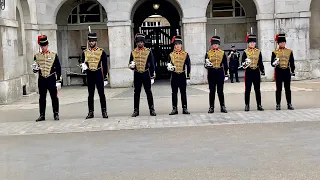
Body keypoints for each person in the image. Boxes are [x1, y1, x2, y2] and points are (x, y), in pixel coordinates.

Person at [32, 35, 61, 121]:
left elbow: (58, 67)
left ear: (47, 45)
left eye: (45, 45)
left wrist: (58, 79)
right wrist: (35, 69)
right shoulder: (37, 56)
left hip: (51, 78)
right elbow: (35, 68)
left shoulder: (53, 55)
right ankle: (42, 115)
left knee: (54, 97)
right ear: (40, 46)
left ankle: (56, 113)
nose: (43, 47)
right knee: (42, 98)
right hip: (42, 79)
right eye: (42, 46)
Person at [80, 32, 109, 119]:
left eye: (93, 41)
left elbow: (105, 65)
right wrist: (83, 66)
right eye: (90, 41)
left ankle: (104, 111)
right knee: (90, 94)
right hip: (90, 74)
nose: (91, 43)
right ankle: (90, 112)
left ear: (95, 41)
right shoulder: (85, 52)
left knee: (101, 94)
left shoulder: (101, 52)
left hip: (98, 73)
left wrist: (105, 77)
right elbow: (82, 63)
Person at [128, 33, 156, 117]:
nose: (140, 43)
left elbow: (152, 64)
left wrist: (152, 76)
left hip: (146, 73)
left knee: (149, 92)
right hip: (137, 74)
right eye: (138, 42)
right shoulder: (133, 52)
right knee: (136, 93)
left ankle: (152, 109)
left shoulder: (148, 51)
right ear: (136, 43)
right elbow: (130, 62)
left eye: (141, 42)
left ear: (144, 42)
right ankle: (136, 110)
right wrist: (131, 66)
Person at [167, 35, 191, 115]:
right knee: (174, 92)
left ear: (181, 45)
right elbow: (168, 64)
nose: (177, 46)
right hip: (174, 75)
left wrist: (188, 76)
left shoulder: (185, 54)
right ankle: (174, 108)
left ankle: (185, 108)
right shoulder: (171, 55)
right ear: (174, 45)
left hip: (182, 75)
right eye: (176, 44)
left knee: (183, 92)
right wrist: (169, 68)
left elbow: (189, 65)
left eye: (179, 44)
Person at [204, 35, 228, 113]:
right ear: (211, 45)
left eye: (216, 44)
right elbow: (205, 64)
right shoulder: (208, 53)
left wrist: (226, 74)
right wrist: (207, 65)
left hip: (220, 72)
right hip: (211, 72)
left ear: (218, 44)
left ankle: (222, 106)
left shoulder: (222, 53)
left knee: (220, 91)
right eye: (213, 44)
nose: (215, 45)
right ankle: (211, 107)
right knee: (212, 91)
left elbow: (225, 64)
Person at [271, 33, 295, 110]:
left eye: (283, 42)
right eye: (281, 42)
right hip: (279, 71)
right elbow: (272, 63)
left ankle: (289, 103)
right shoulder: (274, 52)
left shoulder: (289, 51)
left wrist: (293, 70)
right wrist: (275, 63)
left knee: (288, 88)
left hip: (287, 71)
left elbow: (292, 62)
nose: (282, 43)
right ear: (278, 43)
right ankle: (278, 104)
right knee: (279, 89)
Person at [241, 34, 265, 111]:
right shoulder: (245, 52)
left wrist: (262, 70)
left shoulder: (258, 52)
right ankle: (247, 105)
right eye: (251, 42)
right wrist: (245, 63)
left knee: (257, 89)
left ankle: (259, 105)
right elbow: (242, 63)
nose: (252, 44)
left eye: (253, 42)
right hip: (248, 71)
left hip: (256, 71)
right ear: (248, 43)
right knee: (247, 89)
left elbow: (260, 62)